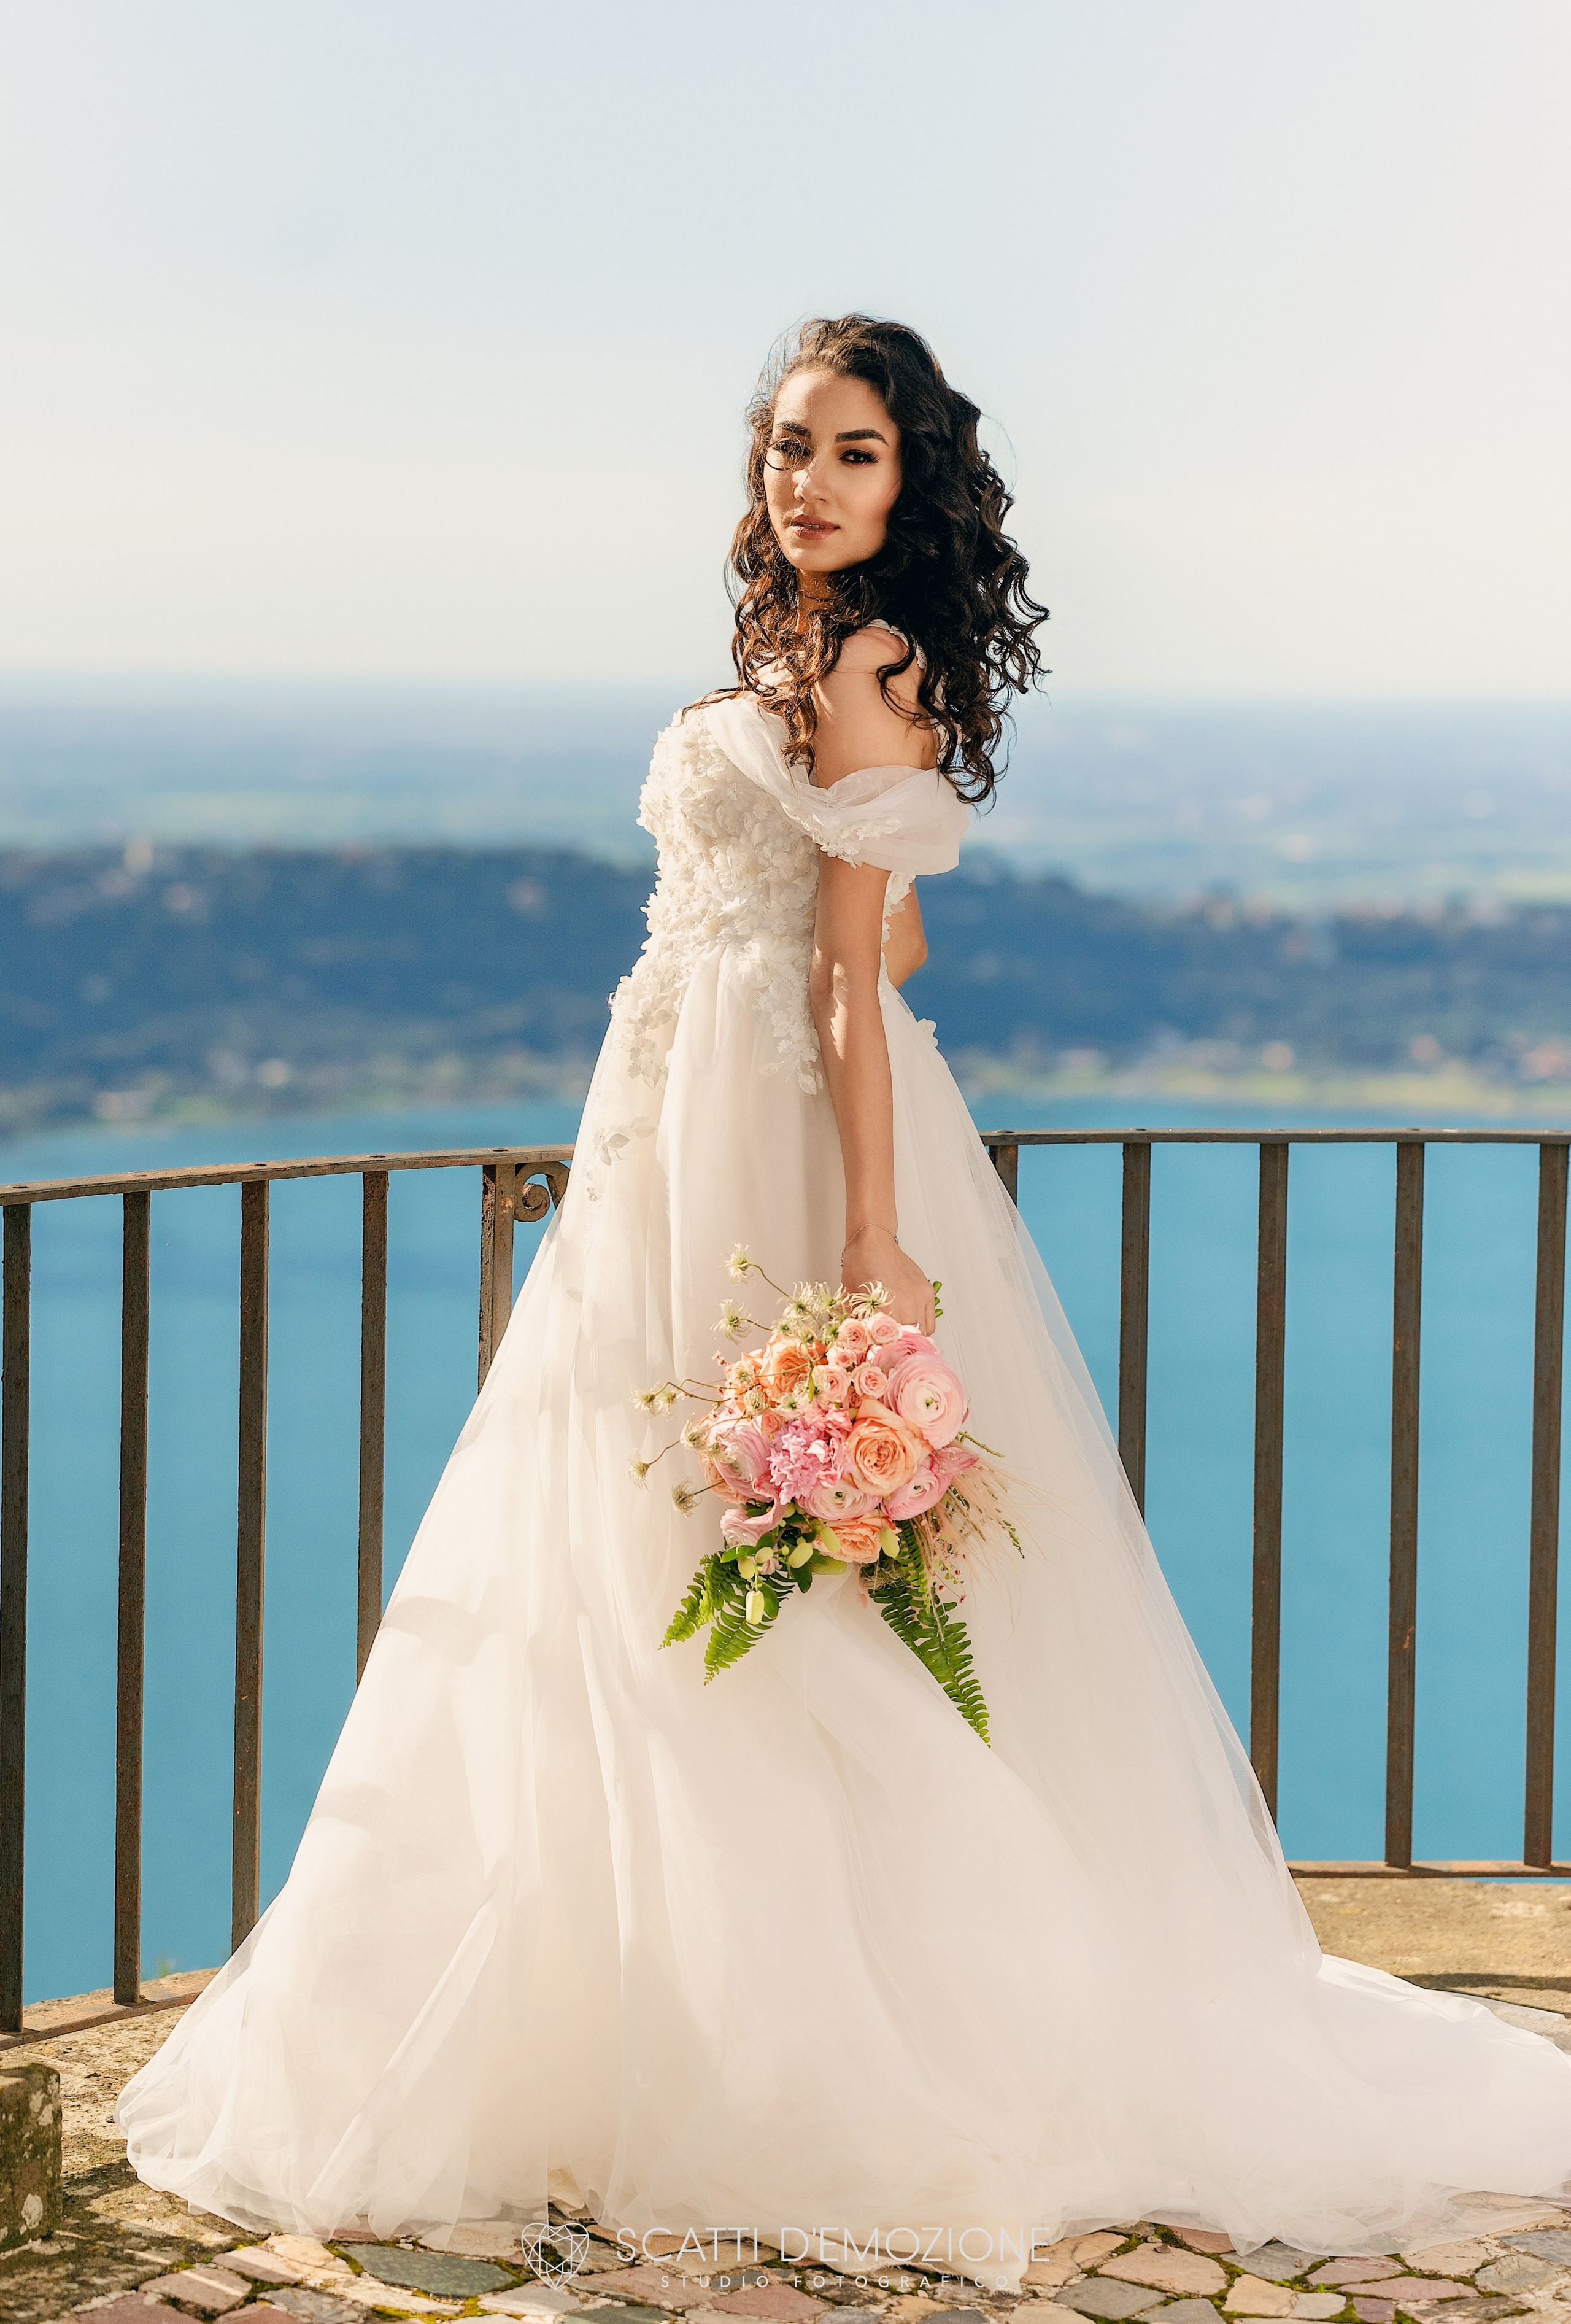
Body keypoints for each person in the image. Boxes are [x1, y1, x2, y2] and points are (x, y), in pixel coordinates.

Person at [118, 314, 1571, 2266]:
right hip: (668, 1128)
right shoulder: (782, 659)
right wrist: (669, 1094)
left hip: (778, 1138)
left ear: (915, 479)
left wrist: (870, 1235)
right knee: (612, 1561)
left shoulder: (872, 665)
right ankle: (631, 2021)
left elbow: (844, 982)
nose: (808, 476)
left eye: (854, 450)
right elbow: (821, 948)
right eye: (791, 443)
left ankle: (829, 2046)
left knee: (774, 1572)